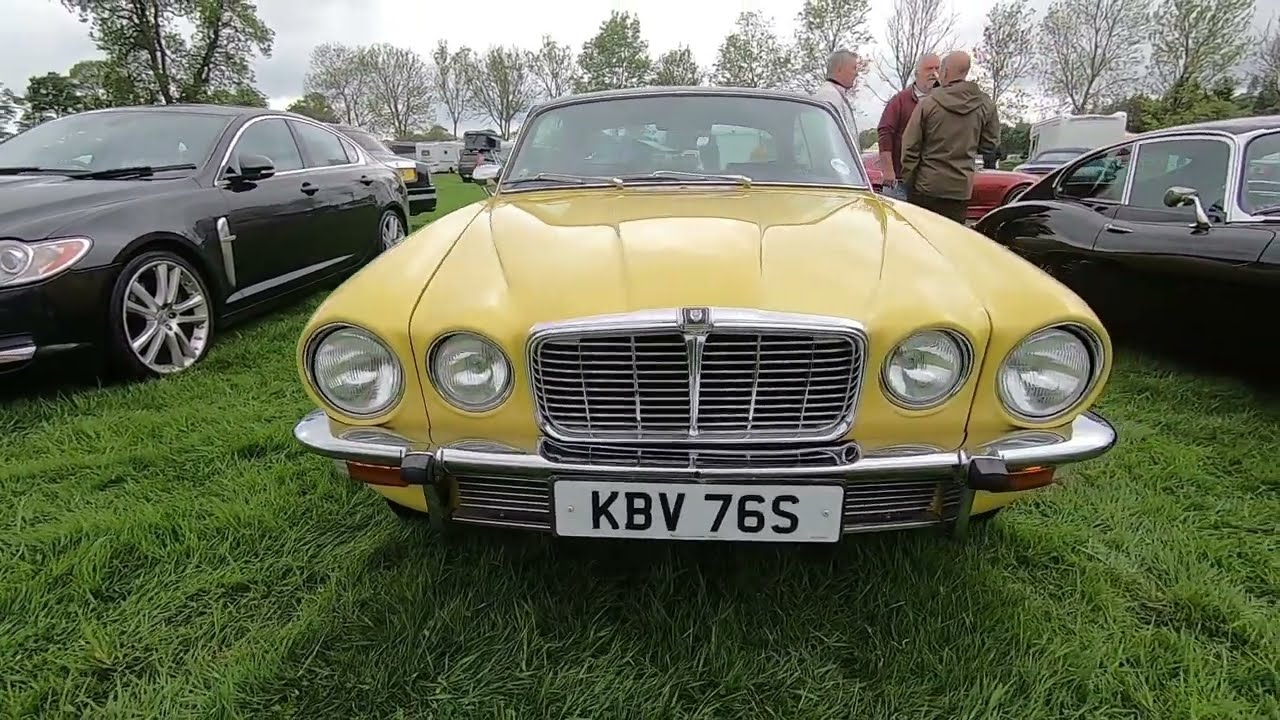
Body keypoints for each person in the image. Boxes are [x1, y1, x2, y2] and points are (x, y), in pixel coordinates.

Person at [899, 50, 1000, 224]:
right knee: (950, 243)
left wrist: (910, 181)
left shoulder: (928, 103)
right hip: (959, 190)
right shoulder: (985, 104)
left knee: (922, 240)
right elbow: (990, 145)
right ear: (965, 72)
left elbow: (910, 147)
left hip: (927, 187)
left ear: (945, 72)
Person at [876, 53, 940, 194]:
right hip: (901, 181)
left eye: (938, 69)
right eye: (929, 69)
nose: (934, 73)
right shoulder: (900, 101)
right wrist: (888, 170)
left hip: (933, 183)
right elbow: (885, 132)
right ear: (917, 73)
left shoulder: (945, 102)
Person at [812, 50, 863, 144]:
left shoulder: (836, 95)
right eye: (853, 68)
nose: (856, 73)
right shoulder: (829, 96)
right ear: (839, 69)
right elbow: (828, 138)